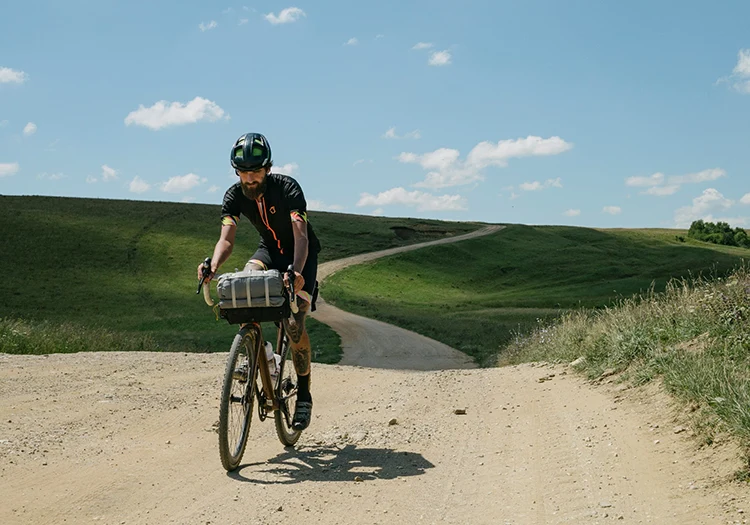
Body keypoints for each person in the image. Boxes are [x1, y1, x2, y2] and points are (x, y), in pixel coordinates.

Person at [198, 132, 321, 431]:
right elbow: (226, 240)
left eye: (256, 171)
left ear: (267, 168)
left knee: (294, 324)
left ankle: (303, 395)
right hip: (268, 251)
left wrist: (297, 271)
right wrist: (212, 264)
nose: (250, 179)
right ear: (236, 171)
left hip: (300, 254)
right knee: (243, 287)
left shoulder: (288, 187)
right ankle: (258, 354)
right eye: (243, 172)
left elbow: (300, 234)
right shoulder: (234, 195)